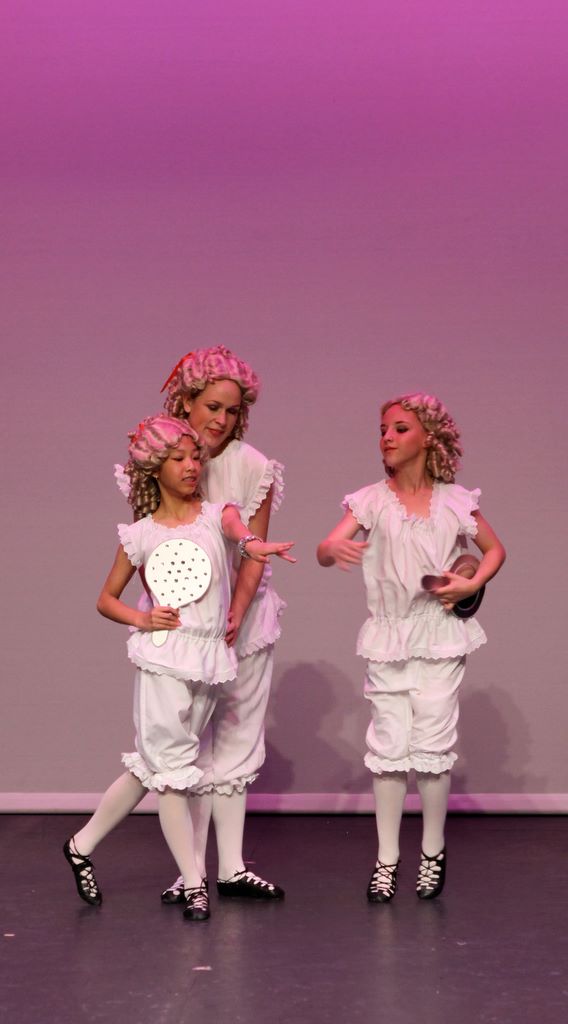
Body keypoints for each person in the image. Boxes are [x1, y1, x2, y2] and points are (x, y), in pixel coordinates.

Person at [64, 415, 294, 922]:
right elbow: (106, 599)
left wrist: (253, 545)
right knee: (170, 775)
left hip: (209, 659)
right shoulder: (141, 534)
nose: (192, 466)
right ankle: (194, 884)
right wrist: (143, 618)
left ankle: (80, 846)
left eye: (195, 457)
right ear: (155, 468)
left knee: (155, 767)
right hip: (165, 659)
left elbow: (239, 532)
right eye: (178, 459)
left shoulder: (215, 514)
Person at [317, 393, 505, 902]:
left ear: (428, 437)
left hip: (438, 634)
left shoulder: (456, 500)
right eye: (383, 429)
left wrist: (471, 583)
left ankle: (432, 851)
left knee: (433, 746)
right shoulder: (370, 501)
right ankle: (387, 859)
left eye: (400, 428)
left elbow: (494, 550)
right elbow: (326, 547)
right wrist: (331, 548)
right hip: (389, 636)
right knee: (389, 746)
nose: (387, 437)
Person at [116, 346, 288, 902]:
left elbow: (252, 546)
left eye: (233, 411)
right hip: (183, 626)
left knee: (237, 738)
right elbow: (155, 545)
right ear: (186, 401)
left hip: (242, 617)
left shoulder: (253, 465)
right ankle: (188, 870)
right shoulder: (162, 454)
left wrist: (238, 608)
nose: (221, 419)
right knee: (181, 745)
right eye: (212, 406)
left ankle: (231, 867)